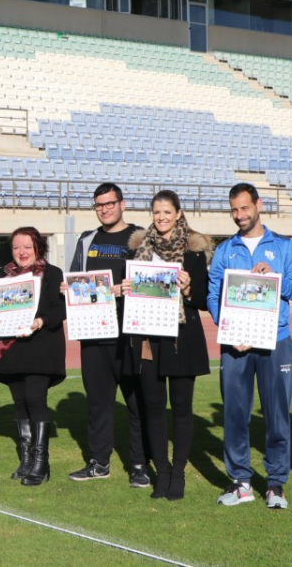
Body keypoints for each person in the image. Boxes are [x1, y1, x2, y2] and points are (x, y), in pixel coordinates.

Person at [207, 183, 292, 509]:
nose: (239, 216)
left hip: (275, 341)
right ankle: (241, 482)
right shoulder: (225, 250)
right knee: (235, 415)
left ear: (258, 205)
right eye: (234, 210)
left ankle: (276, 485)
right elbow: (213, 295)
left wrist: (274, 276)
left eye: (244, 208)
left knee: (277, 416)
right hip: (235, 343)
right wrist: (227, 327)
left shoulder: (282, 246)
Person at [125, 190, 213, 501]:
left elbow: (203, 300)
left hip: (181, 339)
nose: (161, 217)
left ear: (178, 213)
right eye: (156, 212)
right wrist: (127, 288)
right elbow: (134, 291)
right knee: (153, 409)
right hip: (148, 339)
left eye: (167, 212)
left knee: (181, 409)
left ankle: (178, 473)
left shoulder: (195, 252)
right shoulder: (138, 251)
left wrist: (188, 289)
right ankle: (161, 472)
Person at [67, 182, 150, 488]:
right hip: (94, 333)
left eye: (109, 203)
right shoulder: (87, 240)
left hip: (130, 333)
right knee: (98, 402)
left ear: (122, 204)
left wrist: (123, 291)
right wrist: (70, 289)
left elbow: (153, 282)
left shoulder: (141, 237)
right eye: (99, 205)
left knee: (135, 401)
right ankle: (99, 462)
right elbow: (77, 278)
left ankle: (139, 464)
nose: (104, 209)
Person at [0, 227, 66, 486]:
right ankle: (27, 460)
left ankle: (42, 463)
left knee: (35, 399)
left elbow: (60, 308)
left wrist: (41, 320)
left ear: (38, 247)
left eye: (27, 246)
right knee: (19, 401)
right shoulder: (0, 275)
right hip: (11, 349)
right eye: (16, 247)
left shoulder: (52, 274)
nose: (22, 252)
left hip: (41, 347)